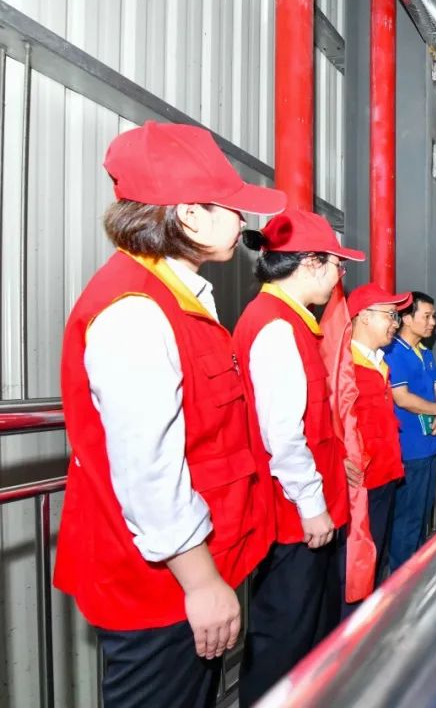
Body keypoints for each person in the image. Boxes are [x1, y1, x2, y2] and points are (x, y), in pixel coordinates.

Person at [55, 121, 286, 707]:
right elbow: (149, 471)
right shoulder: (135, 310)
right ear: (188, 215)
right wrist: (202, 581)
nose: (242, 219)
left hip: (183, 575)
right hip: (162, 587)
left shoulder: (172, 295)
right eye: (230, 206)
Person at [232, 209, 365, 705]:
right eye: (336, 265)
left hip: (306, 512)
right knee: (285, 637)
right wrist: (311, 505)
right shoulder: (275, 326)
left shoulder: (288, 321)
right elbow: (283, 433)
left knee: (309, 630)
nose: (339, 276)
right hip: (293, 518)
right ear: (311, 263)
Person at [346, 283, 413, 592]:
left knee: (379, 557)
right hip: (362, 484)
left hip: (386, 475)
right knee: (358, 565)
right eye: (390, 315)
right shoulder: (343, 364)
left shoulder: (379, 362)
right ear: (364, 316)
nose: (395, 323)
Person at [384, 292, 436, 571]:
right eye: (427, 316)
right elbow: (401, 398)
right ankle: (401, 578)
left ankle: (418, 571)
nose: (433, 322)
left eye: (433, 316)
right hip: (409, 449)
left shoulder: (425, 352)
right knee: (407, 519)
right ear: (406, 318)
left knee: (424, 514)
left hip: (430, 446)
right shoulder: (393, 352)